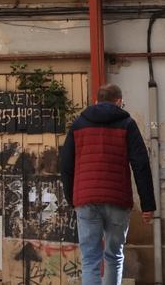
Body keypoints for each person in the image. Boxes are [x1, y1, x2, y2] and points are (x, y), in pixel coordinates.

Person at [59, 83, 155, 285]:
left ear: (96, 101)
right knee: (114, 256)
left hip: (86, 199)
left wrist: (72, 198)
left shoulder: (78, 125)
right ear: (119, 102)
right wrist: (148, 205)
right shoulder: (127, 123)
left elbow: (66, 165)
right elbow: (141, 165)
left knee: (90, 259)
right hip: (117, 199)